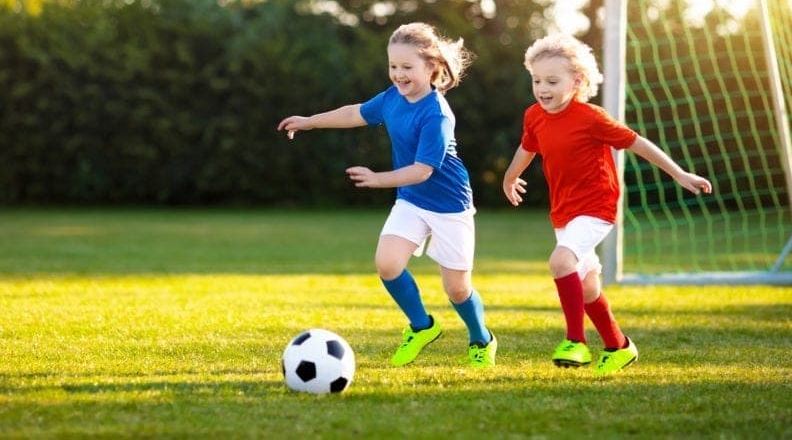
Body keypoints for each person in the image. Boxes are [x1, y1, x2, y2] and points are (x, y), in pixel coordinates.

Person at [277, 22, 496, 368]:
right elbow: (355, 112)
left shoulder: (436, 114)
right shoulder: (392, 99)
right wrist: (310, 121)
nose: (398, 74)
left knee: (456, 289)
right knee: (388, 264)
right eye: (393, 66)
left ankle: (481, 338)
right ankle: (422, 326)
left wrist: (379, 179)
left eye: (407, 67)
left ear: (432, 67)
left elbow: (423, 170)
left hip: (449, 205)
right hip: (411, 199)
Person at [502, 33, 712, 375]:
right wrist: (509, 177)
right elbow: (528, 147)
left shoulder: (591, 117)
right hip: (564, 211)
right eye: (537, 80)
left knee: (560, 261)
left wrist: (678, 173)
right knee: (585, 287)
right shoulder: (534, 116)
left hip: (597, 206)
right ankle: (619, 346)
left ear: (578, 81)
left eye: (552, 81)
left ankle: (576, 343)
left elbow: (637, 143)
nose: (543, 88)